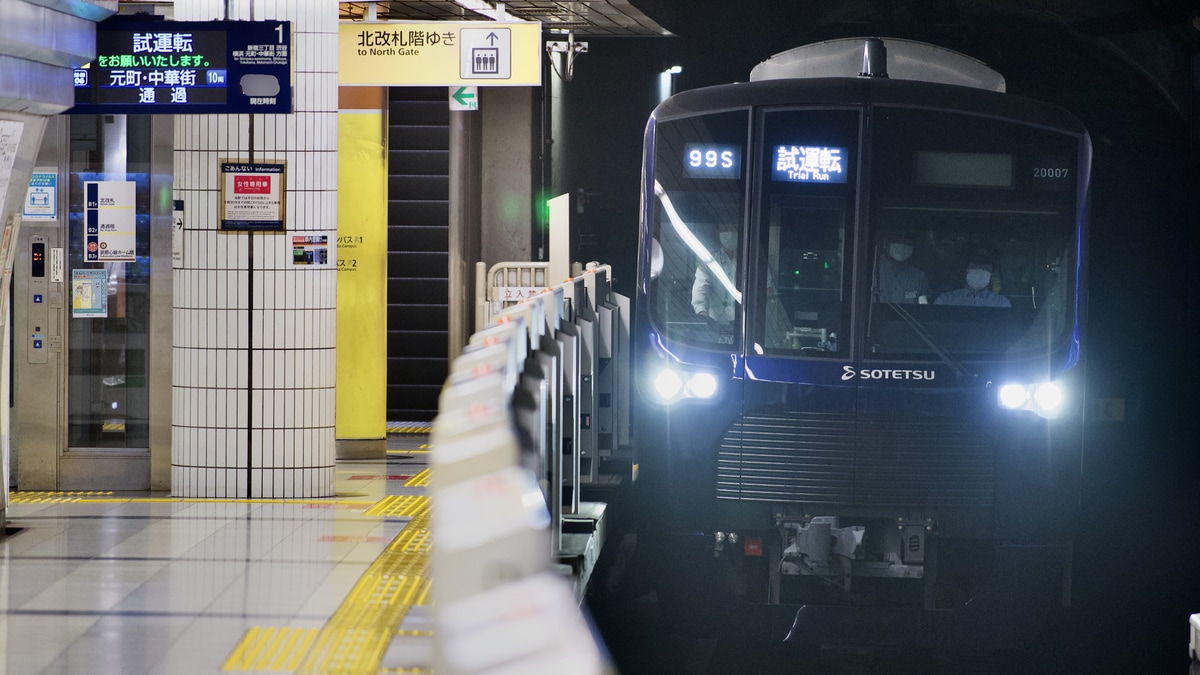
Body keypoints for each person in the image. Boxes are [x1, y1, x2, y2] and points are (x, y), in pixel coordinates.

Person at [692, 222, 738, 325]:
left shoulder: (752, 262)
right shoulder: (708, 262)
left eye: (733, 228)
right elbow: (700, 289)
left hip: (744, 324)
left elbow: (768, 290)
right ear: (718, 231)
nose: (729, 233)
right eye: (725, 228)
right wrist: (702, 314)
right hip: (715, 324)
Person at [876, 233, 930, 304]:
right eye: (898, 241)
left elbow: (923, 306)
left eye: (907, 243)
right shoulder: (870, 271)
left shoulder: (919, 276)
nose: (902, 246)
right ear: (886, 243)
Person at [934, 260, 1011, 307]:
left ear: (992, 273)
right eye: (975, 266)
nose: (980, 270)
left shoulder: (1001, 303)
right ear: (965, 271)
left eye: (985, 267)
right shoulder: (945, 301)